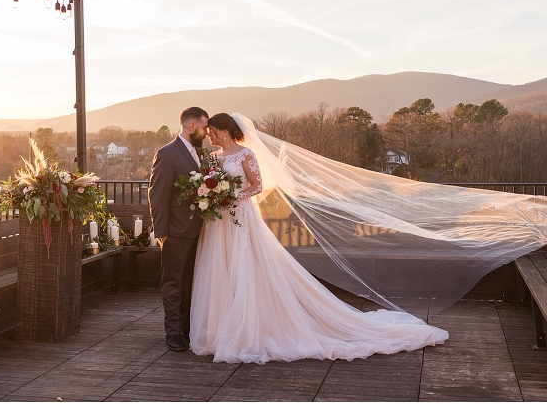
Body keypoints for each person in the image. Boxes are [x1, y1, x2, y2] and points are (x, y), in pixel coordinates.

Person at [190, 113, 449, 364]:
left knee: (247, 266)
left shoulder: (246, 154)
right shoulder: (213, 157)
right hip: (219, 222)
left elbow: (256, 185)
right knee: (220, 269)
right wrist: (211, 196)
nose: (209, 135)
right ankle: (222, 329)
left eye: (211, 131)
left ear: (224, 131)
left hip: (242, 216)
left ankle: (251, 327)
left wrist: (232, 196)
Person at [148, 106, 209, 352]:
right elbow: (157, 194)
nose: (207, 132)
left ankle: (187, 329)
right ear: (191, 126)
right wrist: (161, 231)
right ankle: (173, 334)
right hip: (175, 232)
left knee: (191, 284)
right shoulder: (168, 153)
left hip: (200, 232)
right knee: (173, 284)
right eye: (205, 127)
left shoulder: (201, 154)